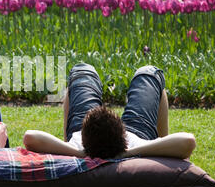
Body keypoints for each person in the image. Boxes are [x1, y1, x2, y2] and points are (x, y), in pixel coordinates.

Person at [23, 63, 196, 160]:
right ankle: (163, 147)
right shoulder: (136, 146)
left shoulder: (77, 146)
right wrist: (129, 152)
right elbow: (187, 141)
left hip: (86, 144)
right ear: (123, 132)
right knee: (149, 73)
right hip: (139, 136)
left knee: (82, 71)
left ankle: (67, 138)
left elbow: (30, 137)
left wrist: (77, 152)